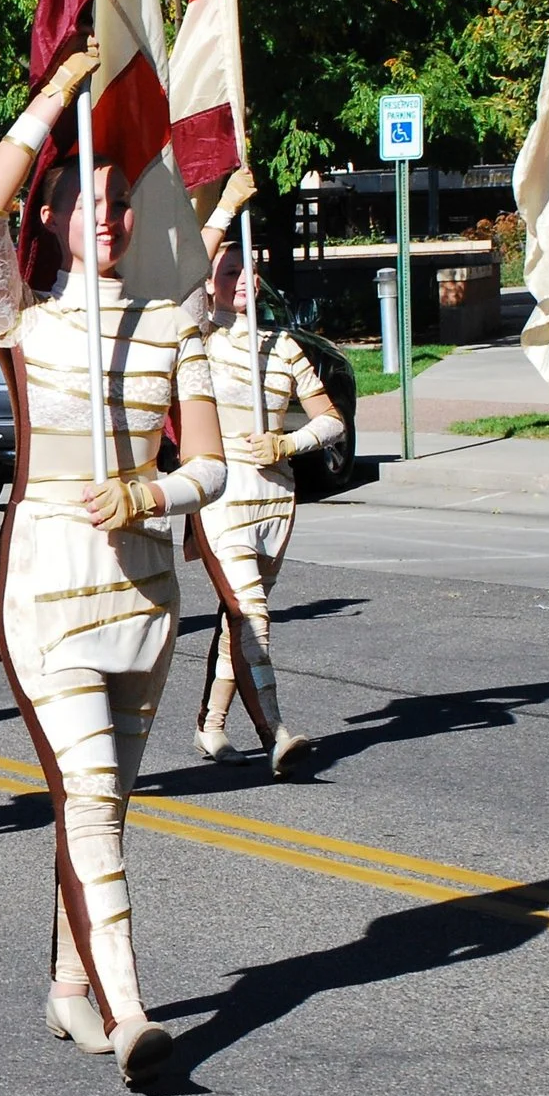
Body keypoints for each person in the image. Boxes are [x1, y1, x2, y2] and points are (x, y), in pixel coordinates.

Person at [0, 44, 226, 1085]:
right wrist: (56, 100)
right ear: (59, 218)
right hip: (46, 589)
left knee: (105, 801)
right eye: (87, 201)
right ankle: (130, 1011)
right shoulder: (18, 321)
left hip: (144, 595)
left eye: (122, 202)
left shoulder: (174, 325)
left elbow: (211, 467)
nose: (109, 217)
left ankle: (69, 983)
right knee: (84, 789)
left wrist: (151, 491)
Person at [184, 169, 346, 773]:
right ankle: (277, 731)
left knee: (241, 619)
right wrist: (224, 209)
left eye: (249, 269)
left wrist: (290, 440)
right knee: (255, 616)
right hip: (222, 498)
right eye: (229, 271)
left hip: (276, 504)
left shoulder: (284, 346)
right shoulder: (198, 335)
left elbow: (333, 423)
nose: (243, 278)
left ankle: (212, 724)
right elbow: (183, 281)